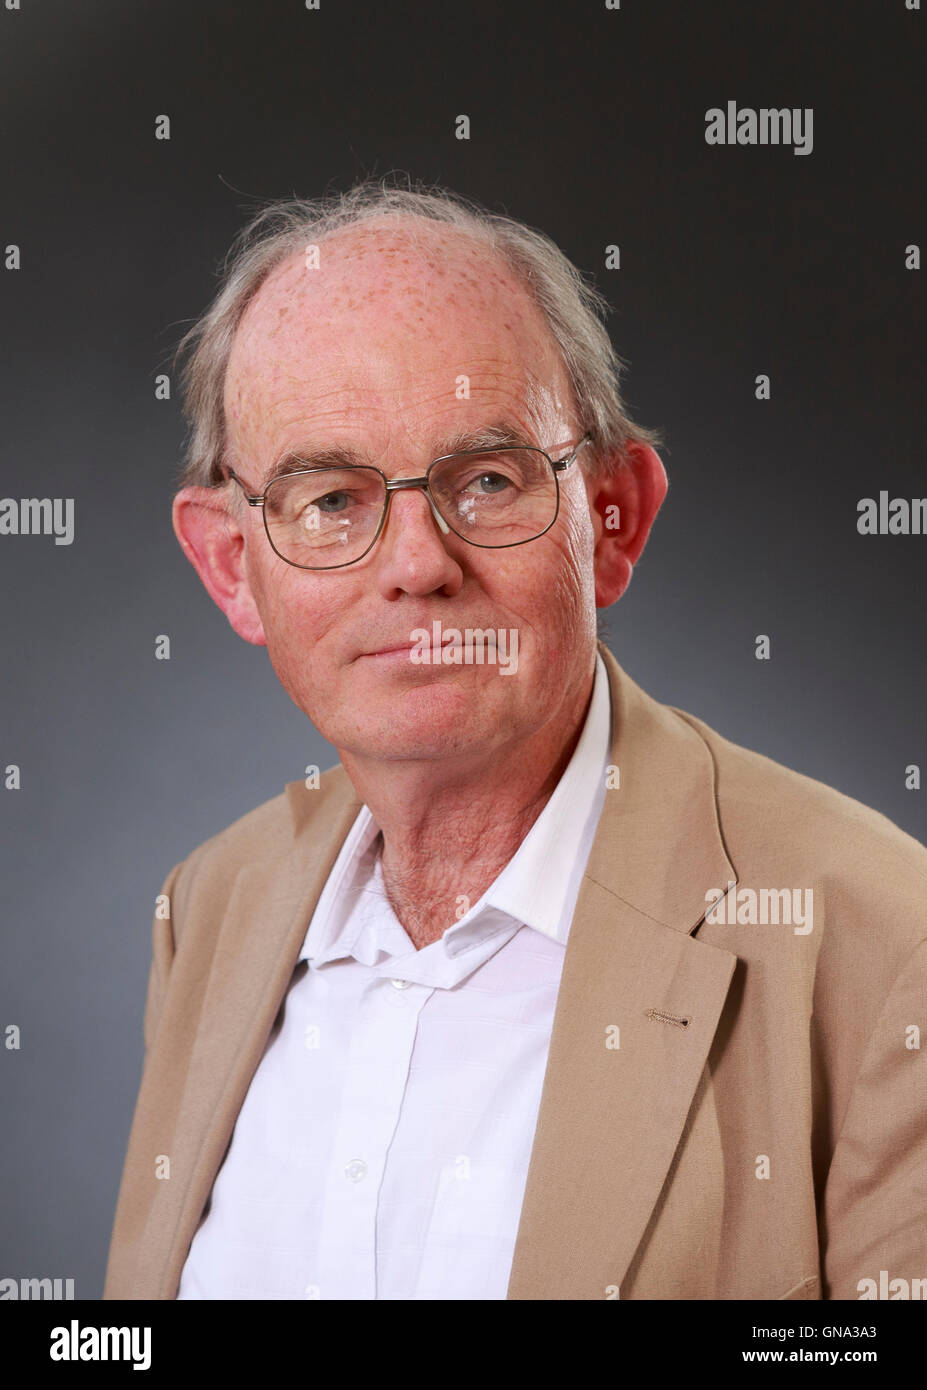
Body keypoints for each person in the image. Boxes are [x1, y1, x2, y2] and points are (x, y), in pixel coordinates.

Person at [104, 178, 927, 1301]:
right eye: (331, 500)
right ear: (231, 568)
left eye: (486, 480)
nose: (415, 563)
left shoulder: (885, 946)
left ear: (613, 519)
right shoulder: (209, 907)